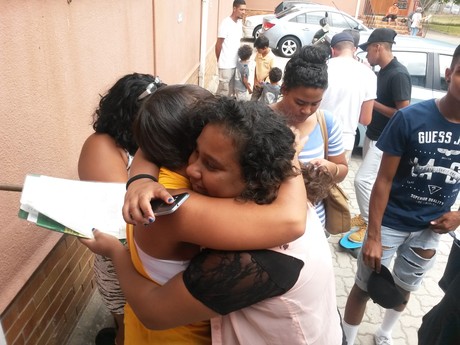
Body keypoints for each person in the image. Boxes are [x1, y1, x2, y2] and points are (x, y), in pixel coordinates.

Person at [82, 97, 344, 344]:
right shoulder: (283, 193)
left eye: (212, 165)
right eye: (194, 152)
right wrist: (141, 179)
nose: (191, 168)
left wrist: (115, 253)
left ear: (255, 178)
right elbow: (154, 142)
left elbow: (153, 312)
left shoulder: (253, 259)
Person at [342, 44, 460, 345]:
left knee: (405, 287)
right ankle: (346, 339)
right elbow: (382, 180)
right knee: (364, 287)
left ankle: (385, 333)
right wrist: (373, 235)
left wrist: (459, 215)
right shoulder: (410, 118)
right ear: (449, 74)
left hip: (430, 230)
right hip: (390, 223)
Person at [77, 73, 165, 345]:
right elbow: (123, 216)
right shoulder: (101, 146)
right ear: (128, 115)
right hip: (120, 256)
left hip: (146, 255)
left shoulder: (143, 144)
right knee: (129, 326)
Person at [271, 44, 349, 232]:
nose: (307, 110)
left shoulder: (327, 123)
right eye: (300, 102)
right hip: (271, 223)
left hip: (315, 225)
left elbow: (342, 169)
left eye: (315, 103)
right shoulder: (261, 120)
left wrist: (331, 168)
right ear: (284, 89)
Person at [348, 28, 411, 244]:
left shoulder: (398, 74)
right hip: (372, 134)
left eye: (368, 51)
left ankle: (369, 223)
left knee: (361, 181)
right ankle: (365, 215)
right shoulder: (382, 71)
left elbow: (404, 113)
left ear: (378, 47)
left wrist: (372, 103)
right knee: (371, 182)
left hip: (386, 140)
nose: (367, 56)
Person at [321, 31, 376, 162]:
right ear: (354, 50)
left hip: (318, 134)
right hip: (344, 141)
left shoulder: (323, 67)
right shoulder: (369, 75)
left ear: (332, 50)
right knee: (333, 180)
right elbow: (365, 120)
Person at [215, 0, 246, 97]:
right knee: (222, 93)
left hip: (235, 63)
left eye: (244, 10)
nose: (243, 12)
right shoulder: (226, 23)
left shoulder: (239, 23)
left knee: (231, 92)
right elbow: (218, 44)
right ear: (234, 9)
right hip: (226, 65)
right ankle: (215, 111)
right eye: (241, 9)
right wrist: (220, 60)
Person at [250, 34, 276, 101]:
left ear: (265, 48)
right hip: (257, 84)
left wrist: (265, 83)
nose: (257, 50)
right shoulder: (258, 54)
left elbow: (272, 73)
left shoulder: (272, 58)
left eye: (258, 49)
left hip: (266, 86)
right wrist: (255, 80)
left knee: (264, 103)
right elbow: (256, 67)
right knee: (252, 101)